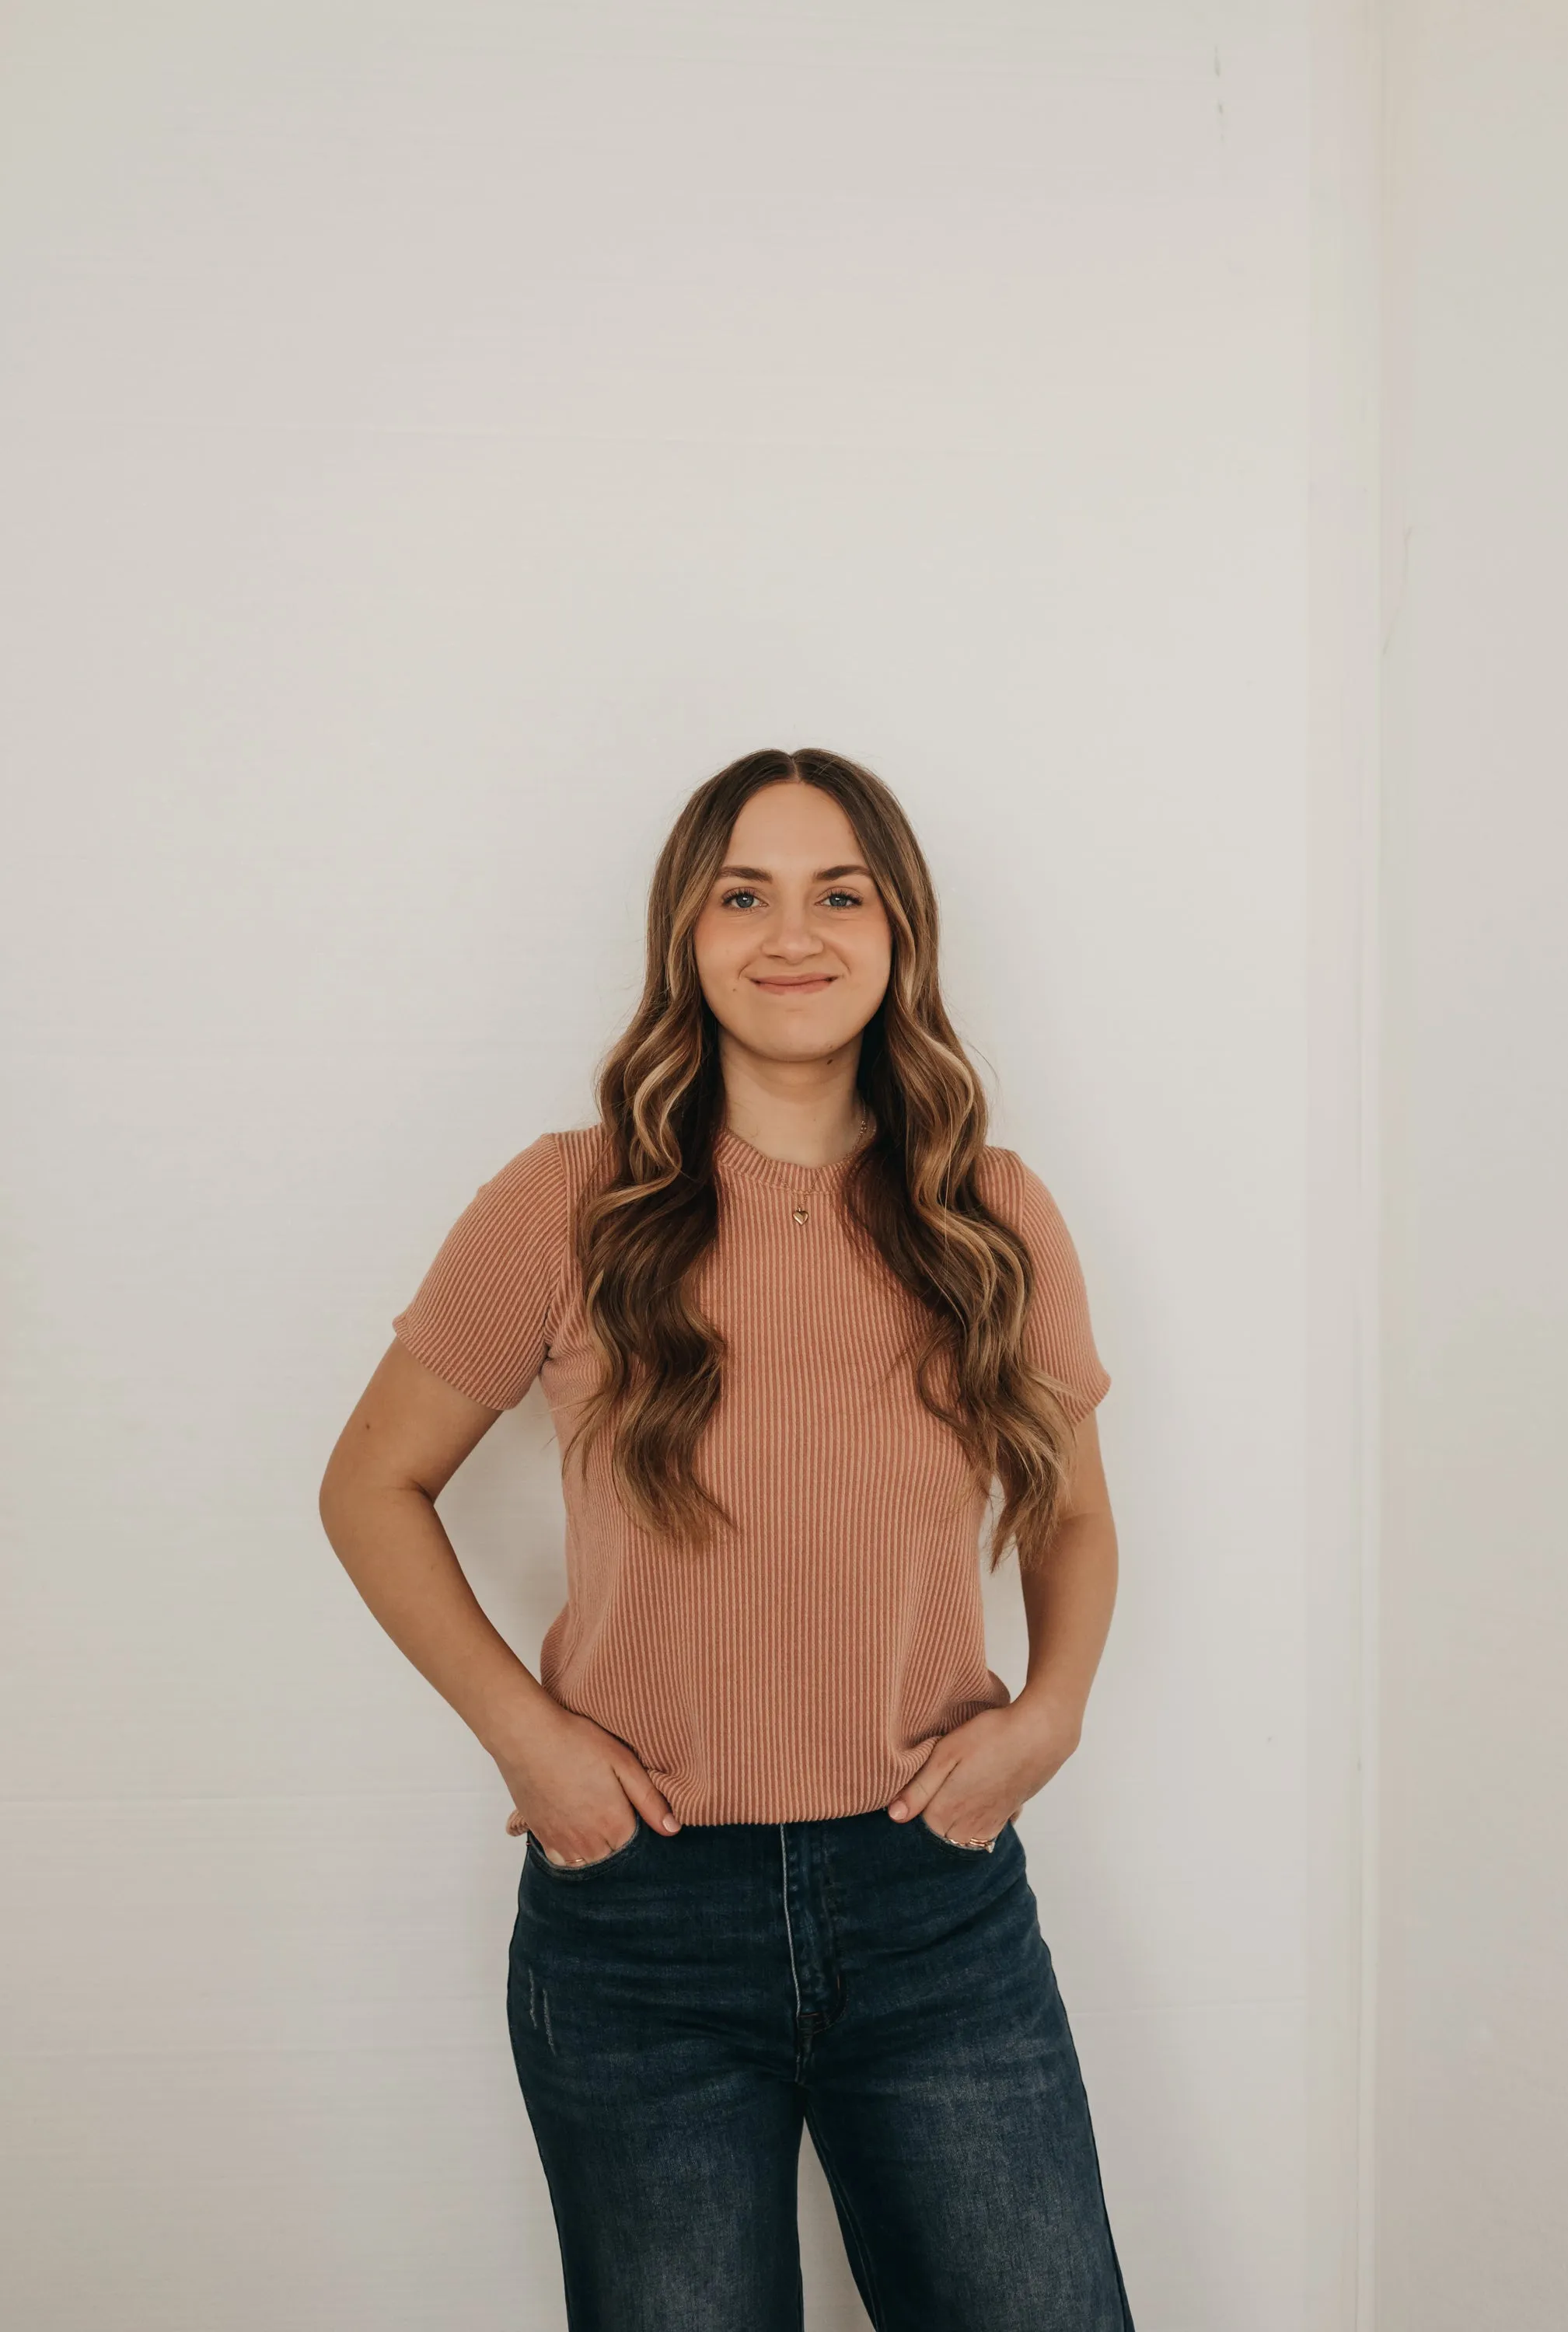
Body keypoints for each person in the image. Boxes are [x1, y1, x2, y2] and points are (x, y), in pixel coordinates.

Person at [318, 746, 1134, 2331]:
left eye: (840, 894)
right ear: (684, 938)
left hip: (937, 1911)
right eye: (741, 895)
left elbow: (1079, 1515)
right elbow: (369, 1487)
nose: (791, 934)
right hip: (639, 1919)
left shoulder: (994, 1215)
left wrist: (1050, 1717)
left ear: (900, 934)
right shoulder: (568, 1205)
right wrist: (529, 1742)